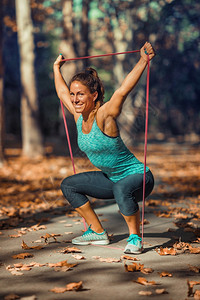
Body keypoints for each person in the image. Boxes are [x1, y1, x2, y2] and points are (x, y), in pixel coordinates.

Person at [53, 42, 155, 254]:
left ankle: (135, 238)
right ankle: (98, 232)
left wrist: (143, 61)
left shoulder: (104, 115)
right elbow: (62, 92)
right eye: (74, 94)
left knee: (121, 188)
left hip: (139, 177)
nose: (74, 99)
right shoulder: (78, 114)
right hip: (112, 178)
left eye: (80, 94)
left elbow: (122, 91)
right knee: (69, 185)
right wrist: (56, 69)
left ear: (94, 95)